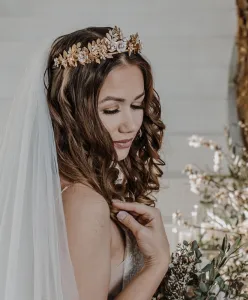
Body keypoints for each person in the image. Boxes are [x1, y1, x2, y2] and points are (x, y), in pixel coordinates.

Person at [0, 26, 170, 300]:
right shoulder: (85, 204)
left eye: (137, 105)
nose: (131, 124)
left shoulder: (58, 188)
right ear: (72, 111)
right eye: (111, 109)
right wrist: (156, 264)